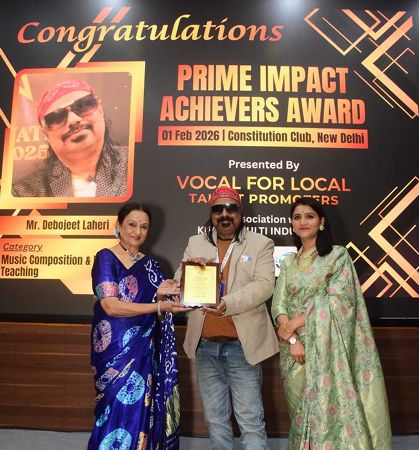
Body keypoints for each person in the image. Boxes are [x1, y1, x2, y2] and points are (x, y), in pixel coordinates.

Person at [271, 197, 393, 450]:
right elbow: (278, 306)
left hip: (328, 348)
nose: (303, 221)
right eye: (297, 217)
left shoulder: (337, 256)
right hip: (294, 353)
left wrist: (294, 323)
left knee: (331, 413)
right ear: (292, 224)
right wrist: (293, 339)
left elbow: (342, 301)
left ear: (322, 222)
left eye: (309, 216)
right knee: (299, 416)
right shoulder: (288, 263)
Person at [175, 187, 279, 450]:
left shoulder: (260, 243)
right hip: (205, 346)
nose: (225, 214)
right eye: (218, 209)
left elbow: (265, 286)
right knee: (215, 421)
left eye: (231, 208)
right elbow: (179, 281)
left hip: (242, 347)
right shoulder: (195, 243)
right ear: (211, 213)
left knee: (250, 421)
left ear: (240, 212)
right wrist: (188, 274)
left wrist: (227, 304)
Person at [87, 202, 190, 450]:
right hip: (113, 348)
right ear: (119, 226)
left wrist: (165, 295)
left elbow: (160, 305)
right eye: (132, 225)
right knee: (113, 409)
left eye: (144, 227)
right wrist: (158, 306)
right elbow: (111, 306)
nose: (137, 231)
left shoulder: (151, 265)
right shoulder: (106, 257)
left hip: (144, 349)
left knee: (142, 412)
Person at [12, 78, 127, 198]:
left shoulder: (135, 164)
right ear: (46, 135)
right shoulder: (23, 192)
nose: (73, 120)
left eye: (83, 105)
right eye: (56, 117)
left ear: (100, 110)